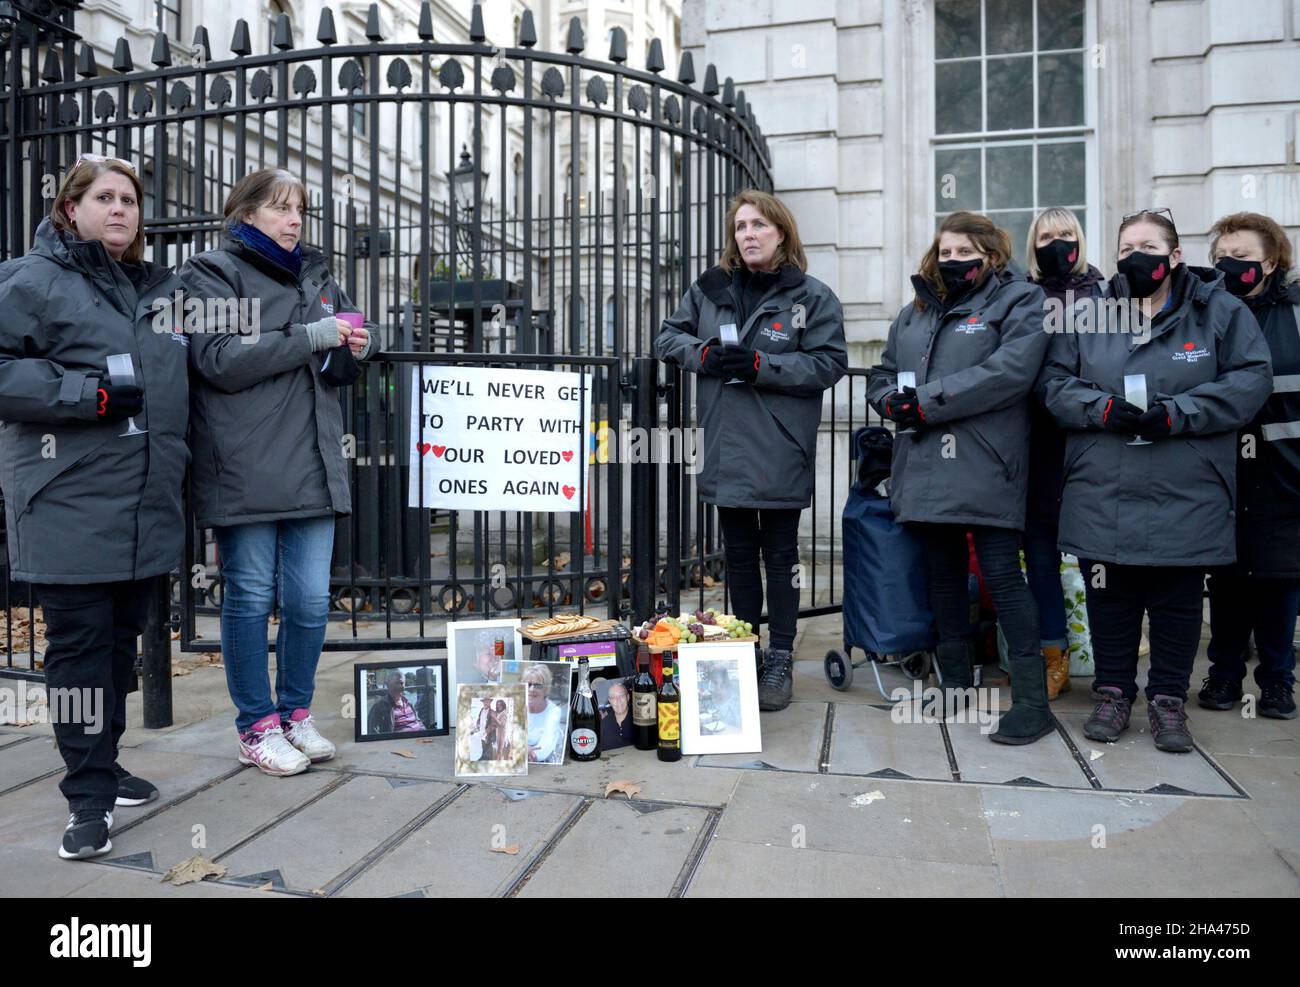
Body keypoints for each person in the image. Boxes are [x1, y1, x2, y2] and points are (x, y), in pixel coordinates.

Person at [0, 155, 190, 859]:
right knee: (78, 654)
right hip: (66, 501)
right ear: (69, 207)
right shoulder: (31, 280)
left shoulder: (157, 292)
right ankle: (87, 799)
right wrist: (87, 396)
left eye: (129, 199)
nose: (119, 209)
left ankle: (102, 763)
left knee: (119, 650)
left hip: (145, 504)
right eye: (103, 197)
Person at [1039, 209, 1272, 752]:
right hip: (1104, 477)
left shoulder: (1218, 309)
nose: (1134, 256)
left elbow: (1250, 378)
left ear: (1173, 256)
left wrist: (1179, 411)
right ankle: (1113, 694)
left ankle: (1168, 702)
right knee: (1109, 595)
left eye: (1147, 245)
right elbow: (1053, 383)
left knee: (1178, 598)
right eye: (1125, 248)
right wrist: (1100, 408)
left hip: (1186, 481)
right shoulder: (1091, 310)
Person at [180, 168, 378, 777]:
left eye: (299, 209)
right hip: (245, 465)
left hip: (315, 461)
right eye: (280, 208)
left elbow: (339, 353)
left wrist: (355, 348)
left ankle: (295, 713)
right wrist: (312, 335)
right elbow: (217, 360)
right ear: (245, 214)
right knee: (248, 598)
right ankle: (255, 725)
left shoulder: (317, 274)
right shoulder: (212, 272)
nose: (294, 220)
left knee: (311, 601)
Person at [655, 189, 848, 711]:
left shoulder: (810, 297)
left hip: (780, 445)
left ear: (781, 232)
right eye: (741, 227)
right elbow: (667, 339)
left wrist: (763, 366)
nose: (748, 234)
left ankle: (780, 656)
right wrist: (708, 356)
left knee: (781, 556)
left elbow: (828, 364)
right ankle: (746, 649)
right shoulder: (709, 290)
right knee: (738, 557)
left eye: (759, 225)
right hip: (725, 445)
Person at [866, 211, 1052, 745]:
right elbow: (882, 372)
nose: (953, 261)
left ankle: (1034, 702)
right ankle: (953, 684)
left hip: (986, 461)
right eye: (945, 252)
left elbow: (1009, 374)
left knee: (1001, 576)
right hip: (923, 463)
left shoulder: (1020, 301)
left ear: (992, 254)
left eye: (965, 252)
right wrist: (888, 400)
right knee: (943, 576)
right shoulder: (915, 311)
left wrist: (924, 403)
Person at [1199, 212, 1300, 719]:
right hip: (1222, 474)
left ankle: (1278, 682)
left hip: (1286, 476)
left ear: (1272, 260)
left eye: (1241, 257)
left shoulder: (1296, 311)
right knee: (1227, 580)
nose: (1229, 265)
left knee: (1279, 583)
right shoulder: (1205, 312)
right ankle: (1222, 675)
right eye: (1221, 257)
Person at [1024, 207, 1106, 699]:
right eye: (1046, 236)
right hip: (1035, 442)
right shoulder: (1021, 296)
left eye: (1066, 234)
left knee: (1098, 554)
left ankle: (1110, 656)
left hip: (1092, 437)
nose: (1057, 243)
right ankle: (1051, 652)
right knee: (1039, 553)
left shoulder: (1107, 295)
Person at [523, 663, 565, 763]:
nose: (531, 689)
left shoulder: (554, 711)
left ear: (546, 688)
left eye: (537, 685)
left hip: (541, 764)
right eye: (528, 685)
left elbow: (546, 745)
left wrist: (527, 754)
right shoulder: (516, 706)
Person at [599, 679, 636, 748]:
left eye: (621, 696)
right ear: (610, 701)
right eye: (613, 697)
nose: (618, 700)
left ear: (628, 697)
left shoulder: (638, 721)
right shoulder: (604, 724)